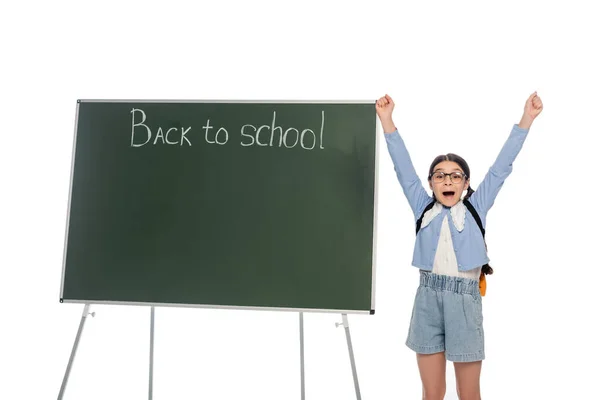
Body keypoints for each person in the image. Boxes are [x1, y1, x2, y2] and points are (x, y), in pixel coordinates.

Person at [376, 92, 543, 400]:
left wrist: (526, 120)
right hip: (426, 301)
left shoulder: (476, 207)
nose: (448, 181)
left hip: (464, 304)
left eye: (456, 176)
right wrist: (387, 121)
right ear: (430, 183)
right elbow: (403, 170)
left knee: (468, 393)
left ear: (466, 183)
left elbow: (500, 168)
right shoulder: (422, 208)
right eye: (440, 176)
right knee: (432, 392)